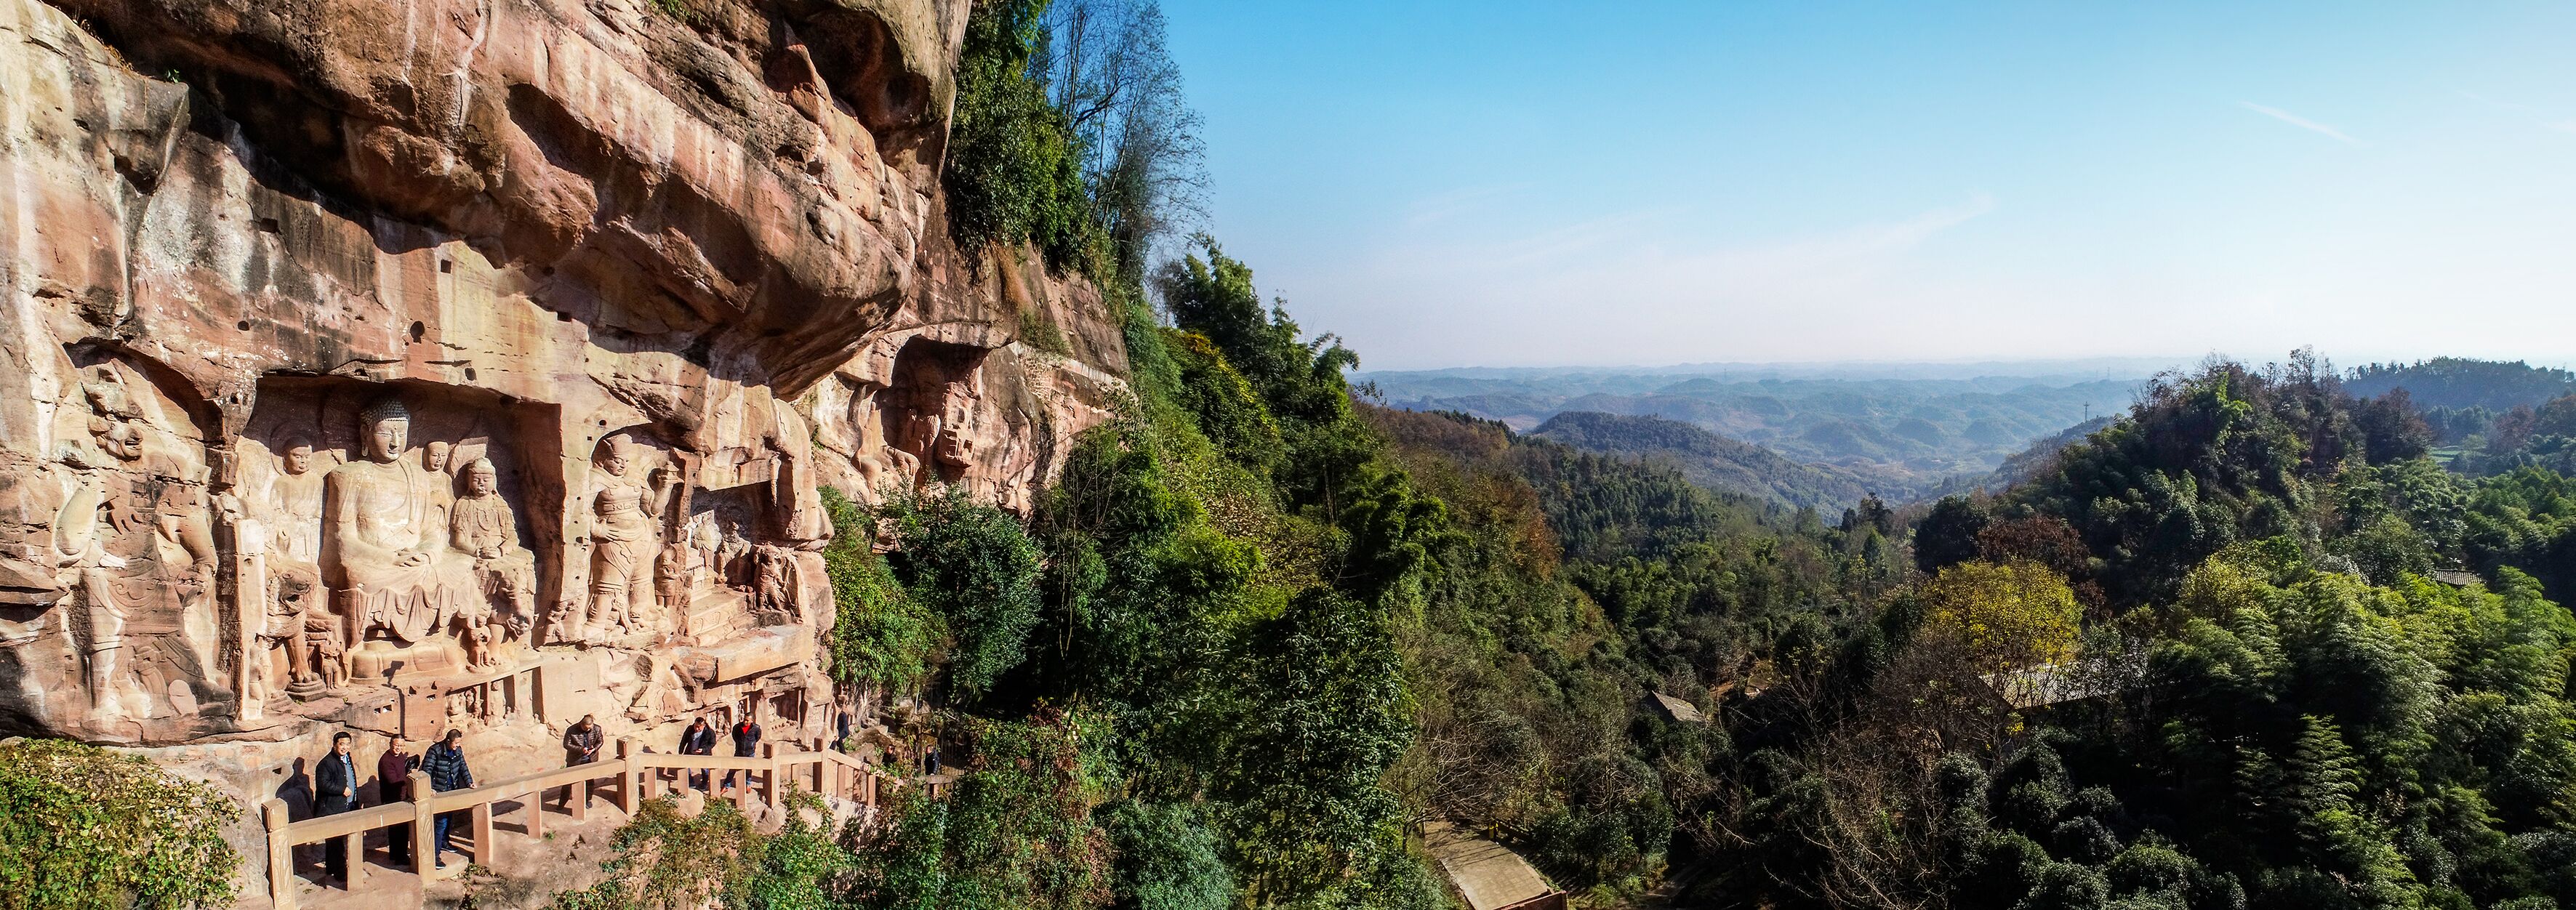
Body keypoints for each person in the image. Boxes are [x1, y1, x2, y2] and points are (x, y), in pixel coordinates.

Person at [422, 730, 474, 868]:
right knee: (441, 822)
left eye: (459, 743)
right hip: (439, 792)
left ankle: (444, 842)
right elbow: (427, 769)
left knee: (449, 818)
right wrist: (429, 788)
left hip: (451, 790)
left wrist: (469, 782)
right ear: (448, 741)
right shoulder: (435, 751)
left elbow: (463, 767)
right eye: (456, 743)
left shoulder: (458, 751)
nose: (458, 746)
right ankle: (435, 855)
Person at [315, 732, 359, 883]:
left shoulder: (347, 758)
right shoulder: (326, 763)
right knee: (336, 842)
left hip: (348, 805)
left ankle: (334, 869)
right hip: (333, 807)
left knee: (339, 840)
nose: (345, 747)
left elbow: (351, 778)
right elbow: (323, 783)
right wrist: (341, 790)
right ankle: (340, 872)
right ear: (334, 745)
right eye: (342, 744)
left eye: (348, 744)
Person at [377, 738, 416, 866]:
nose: (399, 748)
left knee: (401, 829)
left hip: (402, 797)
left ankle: (397, 855)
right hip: (393, 799)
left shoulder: (400, 757)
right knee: (398, 830)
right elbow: (394, 781)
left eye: (401, 745)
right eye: (396, 745)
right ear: (390, 744)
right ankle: (400, 857)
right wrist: (408, 775)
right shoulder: (386, 761)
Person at [563, 714, 604, 808]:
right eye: (586, 728)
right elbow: (566, 744)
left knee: (589, 781)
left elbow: (600, 741)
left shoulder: (597, 729)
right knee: (569, 781)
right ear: (581, 724)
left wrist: (594, 749)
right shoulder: (571, 730)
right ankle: (562, 803)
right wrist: (581, 749)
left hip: (590, 759)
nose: (588, 730)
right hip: (575, 759)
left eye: (590, 728)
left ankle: (587, 800)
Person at [724, 710, 762, 792]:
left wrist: (751, 744)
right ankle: (726, 785)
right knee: (733, 769)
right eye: (744, 719)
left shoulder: (756, 728)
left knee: (748, 770)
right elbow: (735, 736)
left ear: (752, 721)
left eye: (747, 720)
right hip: (739, 751)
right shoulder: (737, 727)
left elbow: (757, 738)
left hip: (750, 752)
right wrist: (740, 743)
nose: (745, 722)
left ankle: (748, 784)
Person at [679, 716, 717, 791]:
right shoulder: (690, 729)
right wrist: (681, 750)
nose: (697, 729)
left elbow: (712, 743)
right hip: (690, 752)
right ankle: (691, 782)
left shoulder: (710, 732)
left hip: (704, 754)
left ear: (704, 726)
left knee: (704, 769)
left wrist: (703, 750)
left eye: (699, 727)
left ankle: (704, 784)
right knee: (686, 766)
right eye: (696, 726)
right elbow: (684, 740)